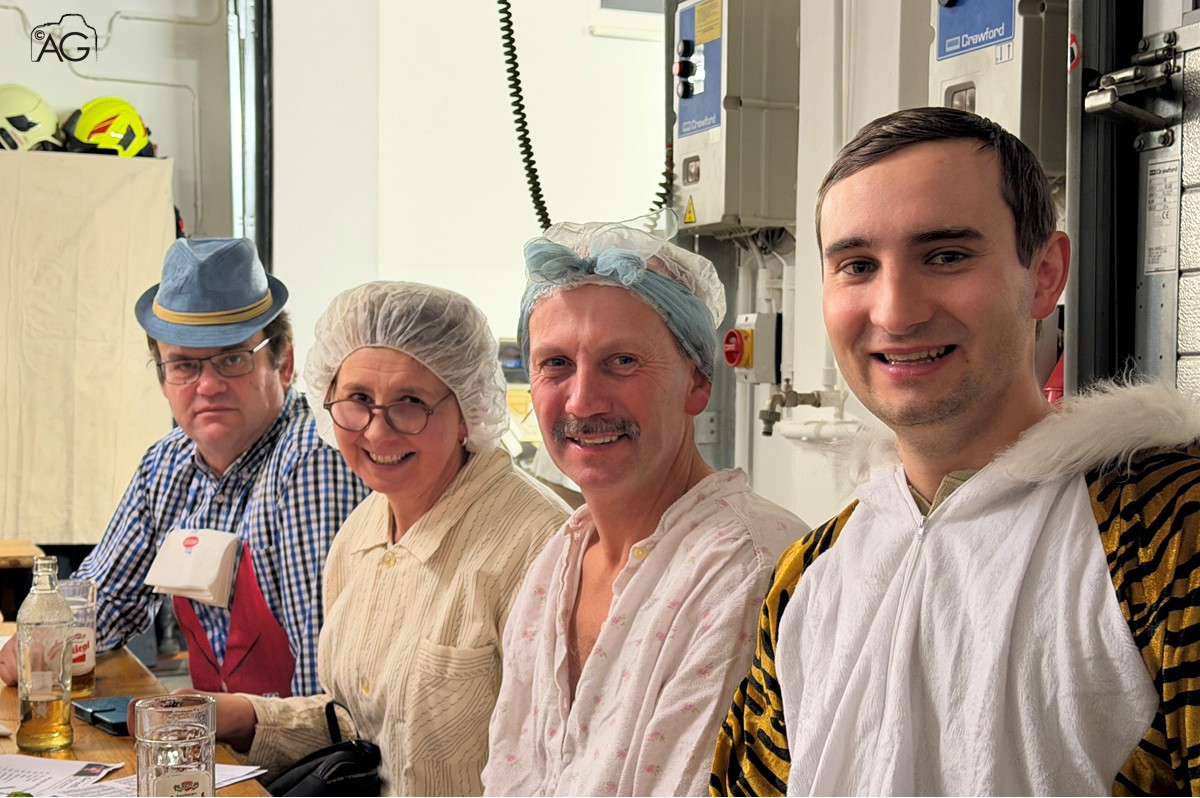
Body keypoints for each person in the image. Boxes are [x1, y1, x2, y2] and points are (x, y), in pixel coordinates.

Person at [711, 106, 1200, 796]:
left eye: (945, 256)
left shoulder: (1165, 530)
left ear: (1045, 273)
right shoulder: (808, 576)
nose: (895, 311)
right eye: (857, 265)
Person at [206, 281, 570, 796]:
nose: (377, 432)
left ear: (467, 411)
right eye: (358, 399)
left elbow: (561, 764)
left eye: (410, 402)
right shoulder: (360, 533)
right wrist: (240, 717)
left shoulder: (539, 547)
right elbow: (363, 727)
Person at [483, 220, 808, 796]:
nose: (583, 400)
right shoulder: (557, 562)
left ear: (698, 384)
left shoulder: (748, 568)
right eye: (556, 364)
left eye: (623, 361)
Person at [0, 237, 369, 697]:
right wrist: (40, 642)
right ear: (163, 379)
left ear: (284, 363)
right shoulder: (166, 465)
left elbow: (327, 687)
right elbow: (105, 603)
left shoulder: (311, 459)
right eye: (184, 365)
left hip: (298, 740)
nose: (208, 385)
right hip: (219, 733)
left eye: (232, 358)